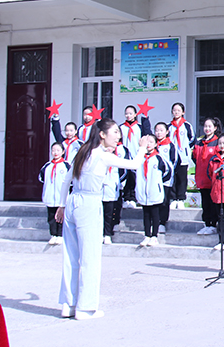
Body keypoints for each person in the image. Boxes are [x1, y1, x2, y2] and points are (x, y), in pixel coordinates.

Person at [55, 119, 153, 320]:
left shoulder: (83, 151)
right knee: (90, 257)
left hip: (73, 201)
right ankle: (85, 308)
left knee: (71, 257)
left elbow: (66, 180)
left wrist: (62, 205)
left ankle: (69, 304)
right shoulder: (101, 155)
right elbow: (134, 164)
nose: (118, 136)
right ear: (102, 134)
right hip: (89, 202)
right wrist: (142, 147)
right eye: (115, 132)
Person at [136, 135, 172, 247]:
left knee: (155, 214)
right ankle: (147, 235)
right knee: (146, 215)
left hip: (154, 191)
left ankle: (154, 236)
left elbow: (167, 172)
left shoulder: (158, 158)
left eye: (151, 142)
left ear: (156, 144)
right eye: (146, 142)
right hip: (143, 191)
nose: (148, 144)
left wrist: (158, 183)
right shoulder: (139, 157)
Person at [119, 105, 152, 208]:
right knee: (125, 178)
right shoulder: (121, 128)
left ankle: (133, 198)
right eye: (126, 113)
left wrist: (145, 119)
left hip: (136, 156)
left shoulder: (139, 127)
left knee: (134, 178)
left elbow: (147, 135)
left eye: (130, 113)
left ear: (135, 114)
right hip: (124, 157)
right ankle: (126, 198)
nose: (128, 115)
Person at [193, 117, 221, 235]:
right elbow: (194, 157)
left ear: (215, 128)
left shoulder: (217, 142)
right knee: (205, 201)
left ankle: (213, 224)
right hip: (202, 176)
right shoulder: (199, 143)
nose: (207, 128)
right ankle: (207, 223)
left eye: (210, 126)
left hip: (212, 178)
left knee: (212, 202)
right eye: (205, 126)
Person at [39, 142, 70, 245]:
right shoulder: (47, 165)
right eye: (53, 150)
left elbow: (71, 179)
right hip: (50, 196)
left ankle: (60, 235)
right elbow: (41, 178)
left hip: (61, 197)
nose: (55, 152)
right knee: (51, 217)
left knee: (61, 217)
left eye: (58, 150)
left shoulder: (66, 165)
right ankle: (53, 235)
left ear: (63, 152)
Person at [101, 139, 129, 245]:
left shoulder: (116, 160)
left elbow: (123, 172)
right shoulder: (99, 159)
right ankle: (100, 233)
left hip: (111, 189)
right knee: (99, 214)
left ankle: (107, 234)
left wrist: (117, 183)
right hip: (99, 190)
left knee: (109, 213)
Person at [169, 103, 196, 210]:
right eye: (174, 110)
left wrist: (185, 148)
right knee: (173, 177)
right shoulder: (169, 126)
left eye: (178, 110)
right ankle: (173, 198)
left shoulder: (186, 125)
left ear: (183, 112)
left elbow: (192, 138)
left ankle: (181, 198)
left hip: (183, 155)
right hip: (172, 156)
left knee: (182, 177)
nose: (176, 112)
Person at [154, 122, 179, 230]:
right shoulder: (153, 145)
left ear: (167, 132)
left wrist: (168, 173)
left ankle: (162, 222)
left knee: (164, 201)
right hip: (154, 178)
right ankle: (154, 221)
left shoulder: (170, 145)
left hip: (166, 179)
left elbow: (175, 161)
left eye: (161, 130)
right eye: (157, 130)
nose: (159, 133)